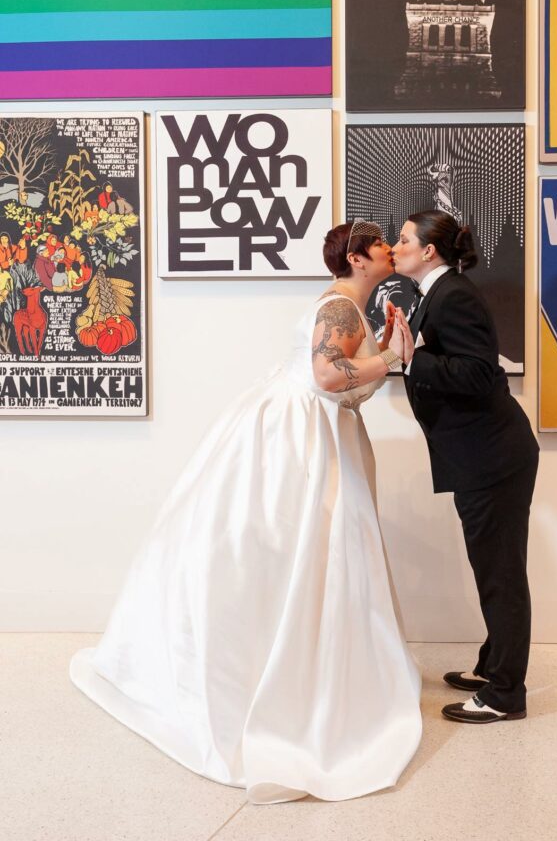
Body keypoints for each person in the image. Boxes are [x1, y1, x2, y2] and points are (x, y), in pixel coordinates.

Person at [70, 220, 421, 804]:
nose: (391, 248)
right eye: (382, 243)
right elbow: (327, 375)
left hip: (304, 425)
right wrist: (389, 357)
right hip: (300, 437)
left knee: (298, 551)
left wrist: (384, 351)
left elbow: (340, 387)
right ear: (360, 259)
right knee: (308, 545)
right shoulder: (339, 307)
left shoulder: (344, 305)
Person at [393, 211, 539, 724]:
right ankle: (491, 667)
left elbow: (480, 374)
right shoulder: (437, 292)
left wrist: (414, 360)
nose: (395, 246)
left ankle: (505, 695)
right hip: (483, 453)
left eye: (404, 239)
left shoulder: (451, 294)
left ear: (429, 251)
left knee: (500, 574)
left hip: (493, 457)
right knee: (494, 568)